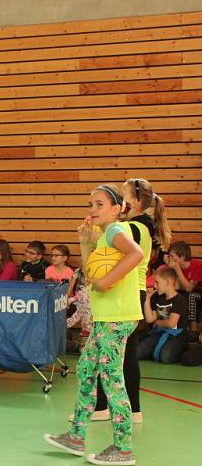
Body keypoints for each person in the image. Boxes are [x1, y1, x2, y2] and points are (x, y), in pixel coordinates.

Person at [45, 184, 143, 466]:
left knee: (112, 380)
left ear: (116, 209)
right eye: (91, 204)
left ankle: (123, 448)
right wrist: (85, 241)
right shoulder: (103, 236)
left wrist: (107, 281)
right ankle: (76, 436)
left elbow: (135, 255)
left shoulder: (115, 231)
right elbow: (91, 273)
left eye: (99, 204)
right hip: (106, 318)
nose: (93, 209)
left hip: (117, 317)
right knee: (87, 370)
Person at [91, 178, 171, 424]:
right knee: (124, 356)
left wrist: (95, 234)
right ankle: (130, 410)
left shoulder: (131, 228)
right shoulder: (141, 225)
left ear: (133, 202)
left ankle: (110, 409)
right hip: (132, 293)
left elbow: (122, 252)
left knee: (110, 356)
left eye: (123, 197)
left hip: (125, 294)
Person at [138, 266, 190, 364]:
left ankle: (179, 350)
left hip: (176, 336)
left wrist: (158, 322)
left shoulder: (179, 300)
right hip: (160, 333)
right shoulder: (159, 298)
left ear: (168, 282)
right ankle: (156, 350)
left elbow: (171, 323)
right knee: (138, 352)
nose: (155, 286)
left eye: (157, 282)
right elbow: (149, 319)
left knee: (166, 357)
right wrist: (147, 299)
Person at [166, 241, 202, 328]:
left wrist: (177, 269)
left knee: (190, 295)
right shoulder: (172, 267)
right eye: (169, 256)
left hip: (198, 294)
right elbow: (177, 287)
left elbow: (189, 288)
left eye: (172, 256)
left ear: (182, 257)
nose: (169, 259)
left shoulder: (197, 265)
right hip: (185, 293)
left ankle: (193, 329)